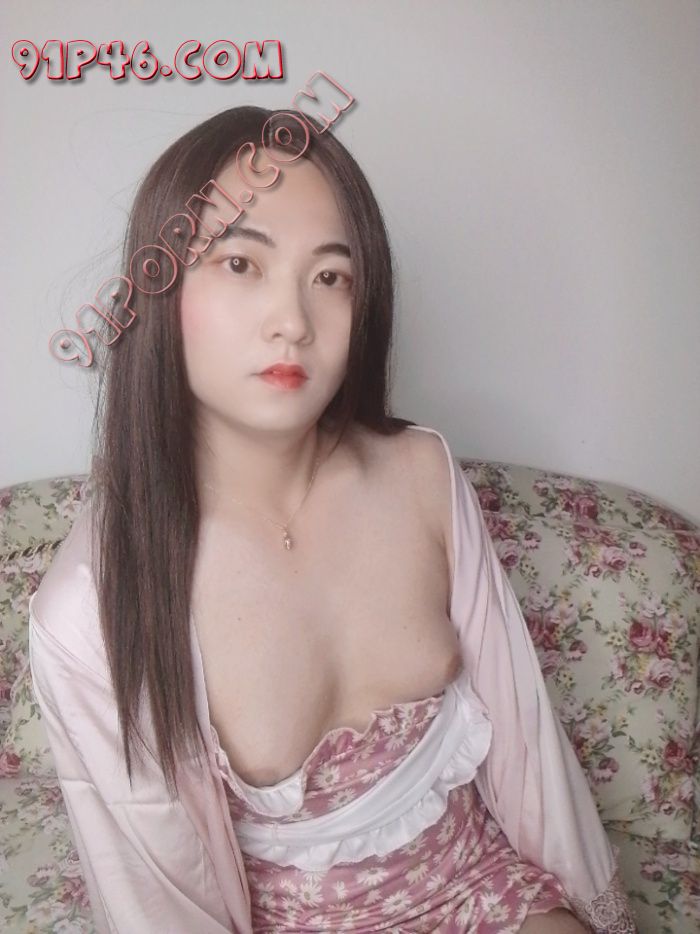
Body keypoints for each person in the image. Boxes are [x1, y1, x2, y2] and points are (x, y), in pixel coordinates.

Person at [29, 105, 639, 933]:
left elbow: (528, 748)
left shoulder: (420, 472)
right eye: (241, 263)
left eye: (330, 277)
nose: (294, 320)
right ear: (158, 286)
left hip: (478, 883)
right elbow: (160, 900)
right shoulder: (96, 606)